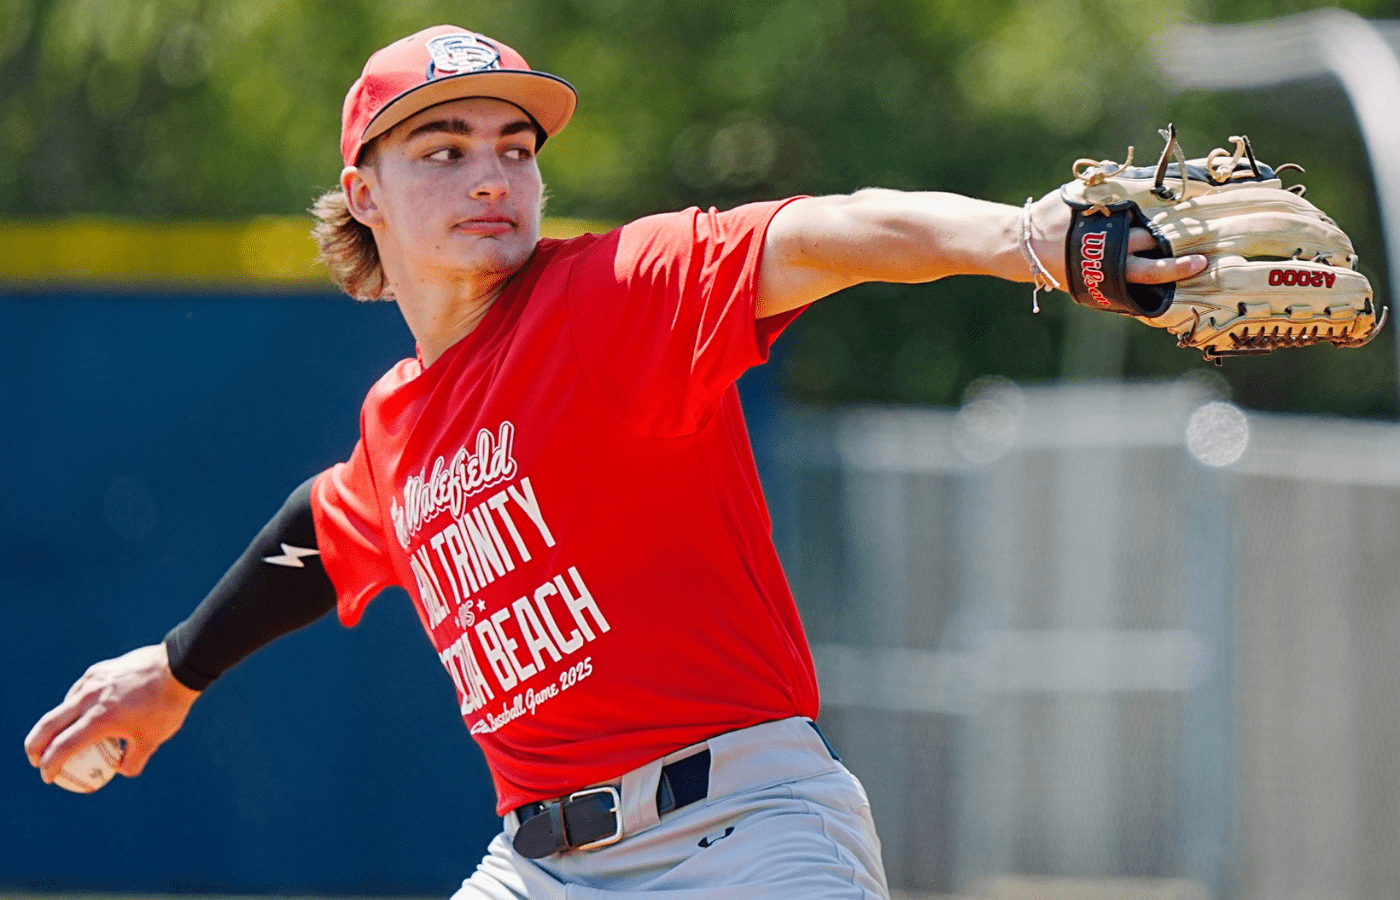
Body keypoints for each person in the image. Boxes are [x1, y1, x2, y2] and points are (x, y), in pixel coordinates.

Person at [24, 25, 1204, 900]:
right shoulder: (397, 424)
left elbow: (830, 231)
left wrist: (1019, 239)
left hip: (743, 838)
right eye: (442, 148)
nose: (492, 173)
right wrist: (175, 673)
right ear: (362, 195)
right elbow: (319, 537)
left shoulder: (612, 297)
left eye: (513, 145)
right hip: (538, 868)